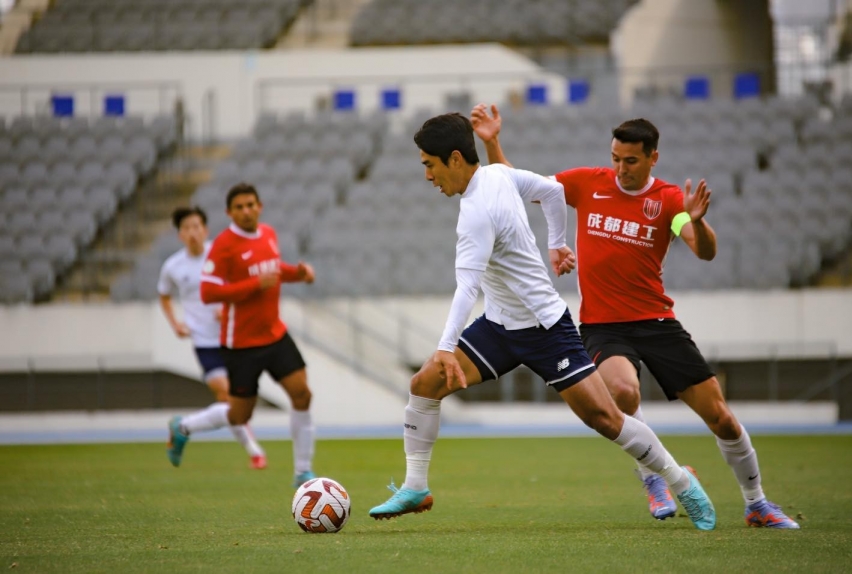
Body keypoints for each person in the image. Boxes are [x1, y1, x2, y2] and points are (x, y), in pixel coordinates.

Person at [368, 113, 717, 531]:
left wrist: (446, 347)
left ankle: (682, 483)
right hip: (499, 327)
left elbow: (466, 287)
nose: (426, 175)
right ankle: (415, 487)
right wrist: (556, 244)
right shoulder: (499, 175)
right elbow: (552, 191)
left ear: (455, 159)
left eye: (429, 164)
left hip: (546, 328)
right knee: (424, 385)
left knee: (605, 419)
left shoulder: (476, 212)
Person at [470, 103, 799, 529]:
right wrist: (493, 141)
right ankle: (655, 475)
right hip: (603, 325)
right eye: (616, 159)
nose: (621, 168)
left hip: (657, 323)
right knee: (622, 391)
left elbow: (704, 250)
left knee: (721, 417)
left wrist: (697, 223)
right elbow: (516, 186)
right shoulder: (589, 183)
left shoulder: (668, 201)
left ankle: (757, 504)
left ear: (652, 158)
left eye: (630, 161)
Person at [165, 184, 317, 488]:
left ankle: (302, 472)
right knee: (239, 414)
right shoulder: (223, 246)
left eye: (250, 205)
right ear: (229, 212)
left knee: (302, 394)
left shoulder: (268, 234)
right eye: (239, 207)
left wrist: (297, 273)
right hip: (241, 344)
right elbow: (208, 293)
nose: (246, 211)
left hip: (275, 334)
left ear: (259, 206)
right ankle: (184, 426)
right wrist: (253, 285)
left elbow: (273, 270)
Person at [159, 206, 268, 469]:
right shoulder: (173, 266)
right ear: (180, 235)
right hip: (204, 343)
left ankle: (183, 426)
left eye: (197, 226)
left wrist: (229, 308)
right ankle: (254, 450)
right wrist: (175, 324)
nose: (193, 232)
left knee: (235, 402)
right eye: (187, 228)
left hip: (232, 338)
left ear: (205, 229)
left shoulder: (220, 255)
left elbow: (240, 287)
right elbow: (164, 296)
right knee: (231, 396)